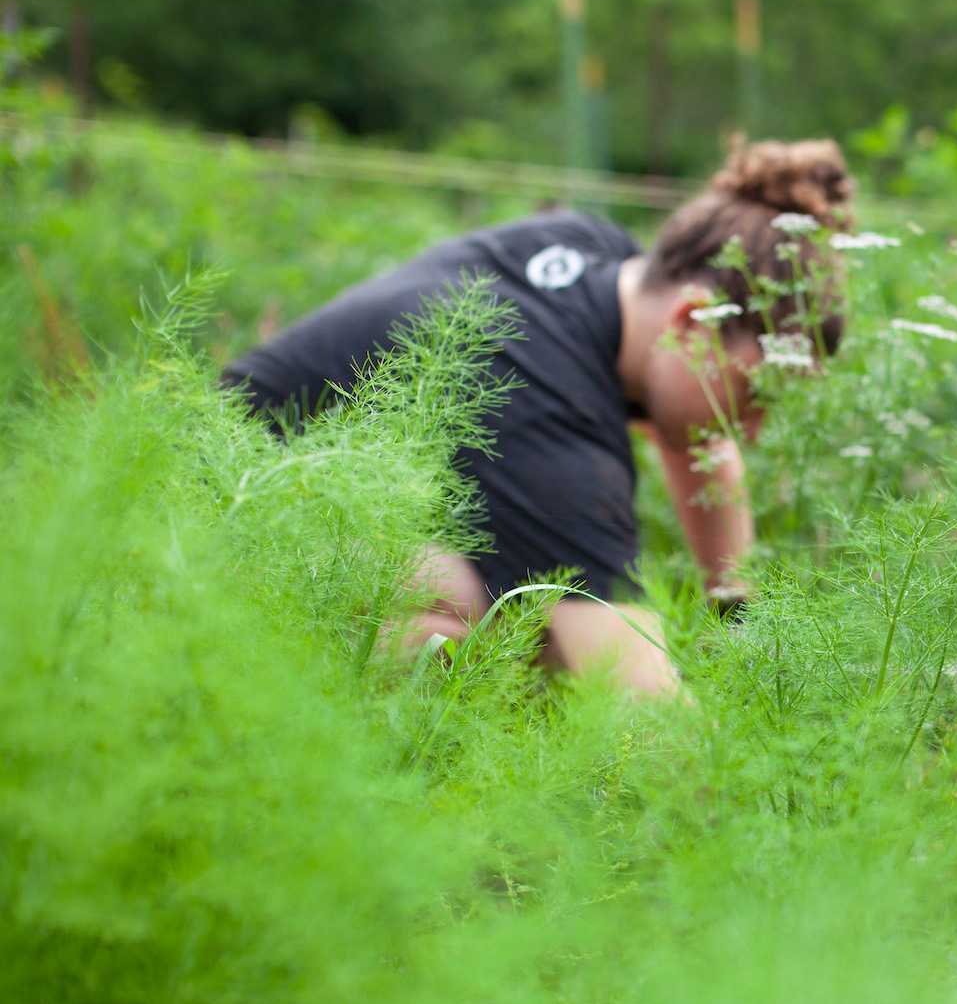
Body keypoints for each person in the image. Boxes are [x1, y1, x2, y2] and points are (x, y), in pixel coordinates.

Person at [223, 138, 853, 694]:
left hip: (300, 483)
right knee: (489, 611)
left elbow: (698, 437)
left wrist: (732, 618)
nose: (754, 429)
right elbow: (642, 706)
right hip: (212, 518)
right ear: (691, 323)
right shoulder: (543, 405)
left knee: (520, 601)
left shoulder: (602, 259)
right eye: (754, 396)